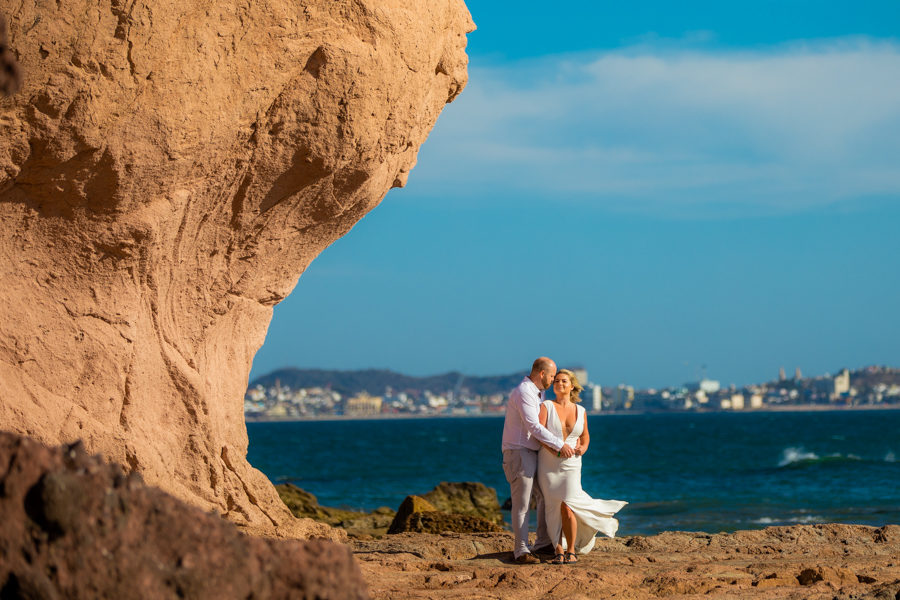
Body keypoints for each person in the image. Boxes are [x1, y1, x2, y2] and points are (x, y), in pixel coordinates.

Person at [537, 369, 627, 565]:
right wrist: (555, 451)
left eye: (563, 381)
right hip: (549, 464)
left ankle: (571, 549)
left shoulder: (581, 411)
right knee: (553, 507)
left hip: (572, 464)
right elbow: (539, 434)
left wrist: (583, 448)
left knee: (569, 505)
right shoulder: (546, 406)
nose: (559, 384)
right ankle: (558, 549)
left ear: (572, 386)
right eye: (557, 381)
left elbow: (585, 436)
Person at [502, 357, 576, 564]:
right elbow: (534, 426)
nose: (554, 380)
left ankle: (543, 542)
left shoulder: (538, 392)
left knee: (544, 496)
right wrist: (560, 445)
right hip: (518, 452)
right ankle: (521, 551)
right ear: (542, 374)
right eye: (552, 376)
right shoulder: (524, 392)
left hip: (531, 452)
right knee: (522, 502)